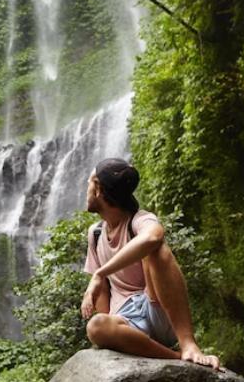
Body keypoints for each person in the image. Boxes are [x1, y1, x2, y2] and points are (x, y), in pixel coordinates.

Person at [81, 158, 220, 369]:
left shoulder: (140, 220)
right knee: (97, 326)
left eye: (90, 183)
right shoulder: (96, 234)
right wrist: (111, 329)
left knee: (156, 250)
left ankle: (189, 344)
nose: (86, 189)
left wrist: (100, 273)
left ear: (99, 189)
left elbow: (153, 238)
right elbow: (102, 293)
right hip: (128, 323)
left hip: (157, 307)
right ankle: (175, 356)